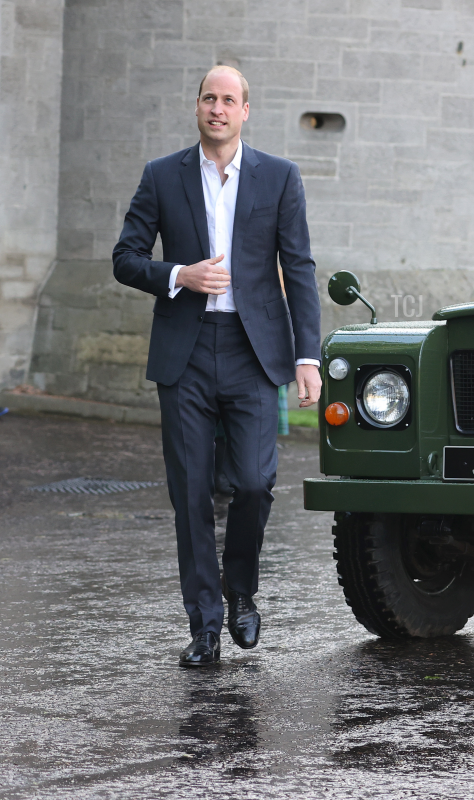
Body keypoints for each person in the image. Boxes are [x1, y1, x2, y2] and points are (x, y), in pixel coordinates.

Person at [113, 65, 322, 667]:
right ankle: (204, 625)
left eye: (230, 100)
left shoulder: (279, 177)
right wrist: (179, 276)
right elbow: (125, 258)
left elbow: (300, 269)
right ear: (198, 106)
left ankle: (242, 591)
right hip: (185, 351)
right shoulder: (161, 176)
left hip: (253, 351)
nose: (218, 108)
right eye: (209, 98)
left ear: (245, 111)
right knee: (191, 493)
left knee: (255, 484)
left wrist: (307, 356)